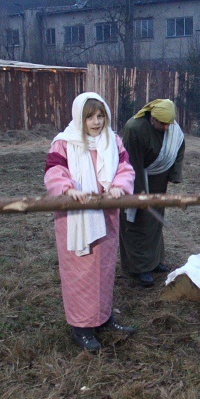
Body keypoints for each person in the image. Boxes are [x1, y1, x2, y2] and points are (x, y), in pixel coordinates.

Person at [44, 92, 136, 352]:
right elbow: (54, 170)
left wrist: (119, 186)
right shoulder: (65, 142)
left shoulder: (113, 141)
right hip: (75, 217)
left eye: (100, 116)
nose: (96, 122)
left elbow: (125, 168)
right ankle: (81, 326)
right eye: (89, 117)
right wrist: (67, 189)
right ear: (79, 118)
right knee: (80, 272)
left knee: (104, 270)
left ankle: (104, 318)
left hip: (106, 214)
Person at [119, 99, 185, 287]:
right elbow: (131, 164)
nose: (166, 128)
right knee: (137, 221)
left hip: (159, 181)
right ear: (152, 117)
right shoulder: (135, 129)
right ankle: (139, 267)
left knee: (155, 222)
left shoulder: (170, 126)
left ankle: (154, 261)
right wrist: (140, 195)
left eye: (168, 124)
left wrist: (173, 174)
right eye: (162, 124)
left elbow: (179, 143)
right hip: (137, 180)